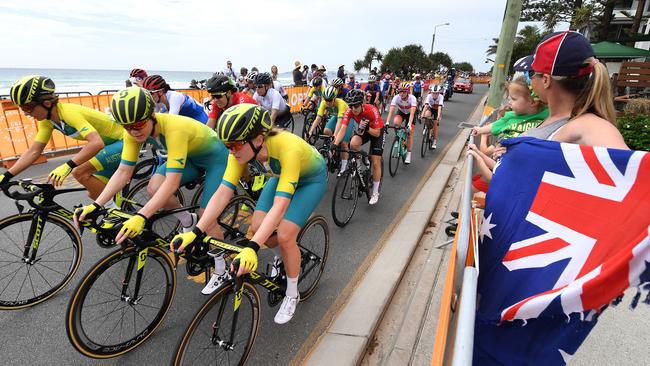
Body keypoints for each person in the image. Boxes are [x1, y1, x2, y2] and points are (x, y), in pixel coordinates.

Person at [170, 104, 327, 324]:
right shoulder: (241, 151)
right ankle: (281, 258)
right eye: (227, 145)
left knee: (284, 235)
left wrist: (253, 248)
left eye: (234, 145)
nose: (230, 151)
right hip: (280, 175)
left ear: (258, 139)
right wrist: (196, 231)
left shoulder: (287, 147)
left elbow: (280, 205)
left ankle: (292, 293)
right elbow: (223, 193)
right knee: (257, 227)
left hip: (310, 180)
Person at [74, 87, 229, 244]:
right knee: (153, 188)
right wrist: (96, 205)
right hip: (191, 157)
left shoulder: (174, 129)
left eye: (139, 124)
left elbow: (172, 182)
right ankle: (188, 220)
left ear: (152, 115)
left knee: (207, 218)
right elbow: (123, 172)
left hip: (215, 160)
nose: (133, 131)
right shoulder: (132, 132)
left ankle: (221, 266)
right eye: (126, 127)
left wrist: (141, 216)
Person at [1, 76, 124, 203]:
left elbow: (96, 142)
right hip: (108, 146)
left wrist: (67, 166)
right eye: (22, 109)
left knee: (79, 172)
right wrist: (6, 176)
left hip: (124, 141)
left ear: (47, 103)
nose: (26, 113)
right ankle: (119, 208)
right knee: (94, 192)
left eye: (27, 108)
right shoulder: (47, 121)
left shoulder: (68, 112)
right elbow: (34, 151)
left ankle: (114, 215)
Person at [333, 89, 385, 204]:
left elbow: (376, 133)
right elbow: (343, 128)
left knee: (376, 161)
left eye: (356, 106)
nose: (353, 109)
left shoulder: (372, 110)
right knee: (353, 143)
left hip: (377, 131)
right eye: (351, 106)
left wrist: (366, 128)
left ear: (361, 104)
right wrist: (335, 144)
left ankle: (375, 192)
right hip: (364, 130)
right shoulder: (350, 111)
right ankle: (360, 165)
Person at [142, 75, 208, 123]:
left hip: (199, 117)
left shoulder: (175, 97)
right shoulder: (156, 99)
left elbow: (171, 121)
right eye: (146, 93)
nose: (148, 96)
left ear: (161, 92)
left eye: (150, 93)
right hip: (187, 119)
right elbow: (153, 118)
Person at [386, 82, 417, 164]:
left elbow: (412, 114)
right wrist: (387, 122)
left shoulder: (412, 98)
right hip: (401, 112)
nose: (402, 93)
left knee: (409, 134)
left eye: (404, 91)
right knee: (396, 122)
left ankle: (409, 154)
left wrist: (409, 124)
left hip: (410, 114)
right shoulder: (396, 98)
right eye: (400, 91)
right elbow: (391, 111)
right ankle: (398, 139)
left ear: (407, 92)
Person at [420, 84, 446, 149]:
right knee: (426, 114)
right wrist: (422, 115)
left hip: (437, 109)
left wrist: (438, 116)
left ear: (439, 93)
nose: (435, 95)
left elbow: (440, 107)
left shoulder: (441, 97)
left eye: (436, 93)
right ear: (431, 92)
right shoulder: (429, 96)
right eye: (433, 93)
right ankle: (426, 126)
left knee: (435, 125)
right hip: (430, 108)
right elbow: (426, 105)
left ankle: (434, 141)